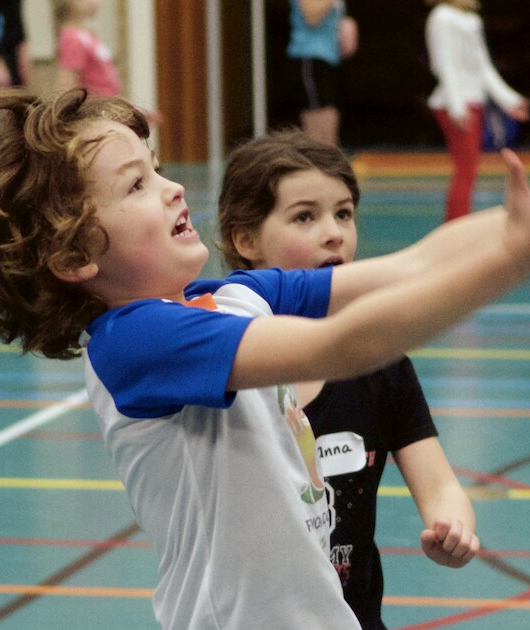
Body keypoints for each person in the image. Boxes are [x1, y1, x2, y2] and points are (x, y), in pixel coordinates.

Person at [0, 88, 530, 630]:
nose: (175, 187)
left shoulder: (235, 298)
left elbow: (405, 267)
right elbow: (349, 344)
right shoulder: (137, 343)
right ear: (77, 253)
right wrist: (520, 258)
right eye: (138, 183)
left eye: (157, 166)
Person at [217, 130, 479, 629]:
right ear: (245, 240)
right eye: (305, 216)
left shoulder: (381, 365)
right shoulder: (220, 366)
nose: (334, 232)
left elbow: (441, 485)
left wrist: (454, 525)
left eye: (344, 213)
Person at [425, 0, 530, 223]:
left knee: (468, 169)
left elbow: (483, 67)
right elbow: (445, 65)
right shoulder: (441, 17)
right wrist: (456, 105)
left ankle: (456, 224)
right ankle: (455, 225)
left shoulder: (473, 20)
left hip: (472, 102)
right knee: (466, 169)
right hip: (455, 104)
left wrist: (509, 100)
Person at [53, 0, 161, 125]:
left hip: (107, 111)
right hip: (95, 117)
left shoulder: (88, 35)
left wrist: (128, 109)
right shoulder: (72, 38)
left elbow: (104, 83)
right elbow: (66, 86)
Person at [288, 0, 358, 146]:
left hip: (330, 59)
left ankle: (328, 165)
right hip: (310, 57)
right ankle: (317, 165)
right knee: (318, 129)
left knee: (330, 122)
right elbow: (311, 17)